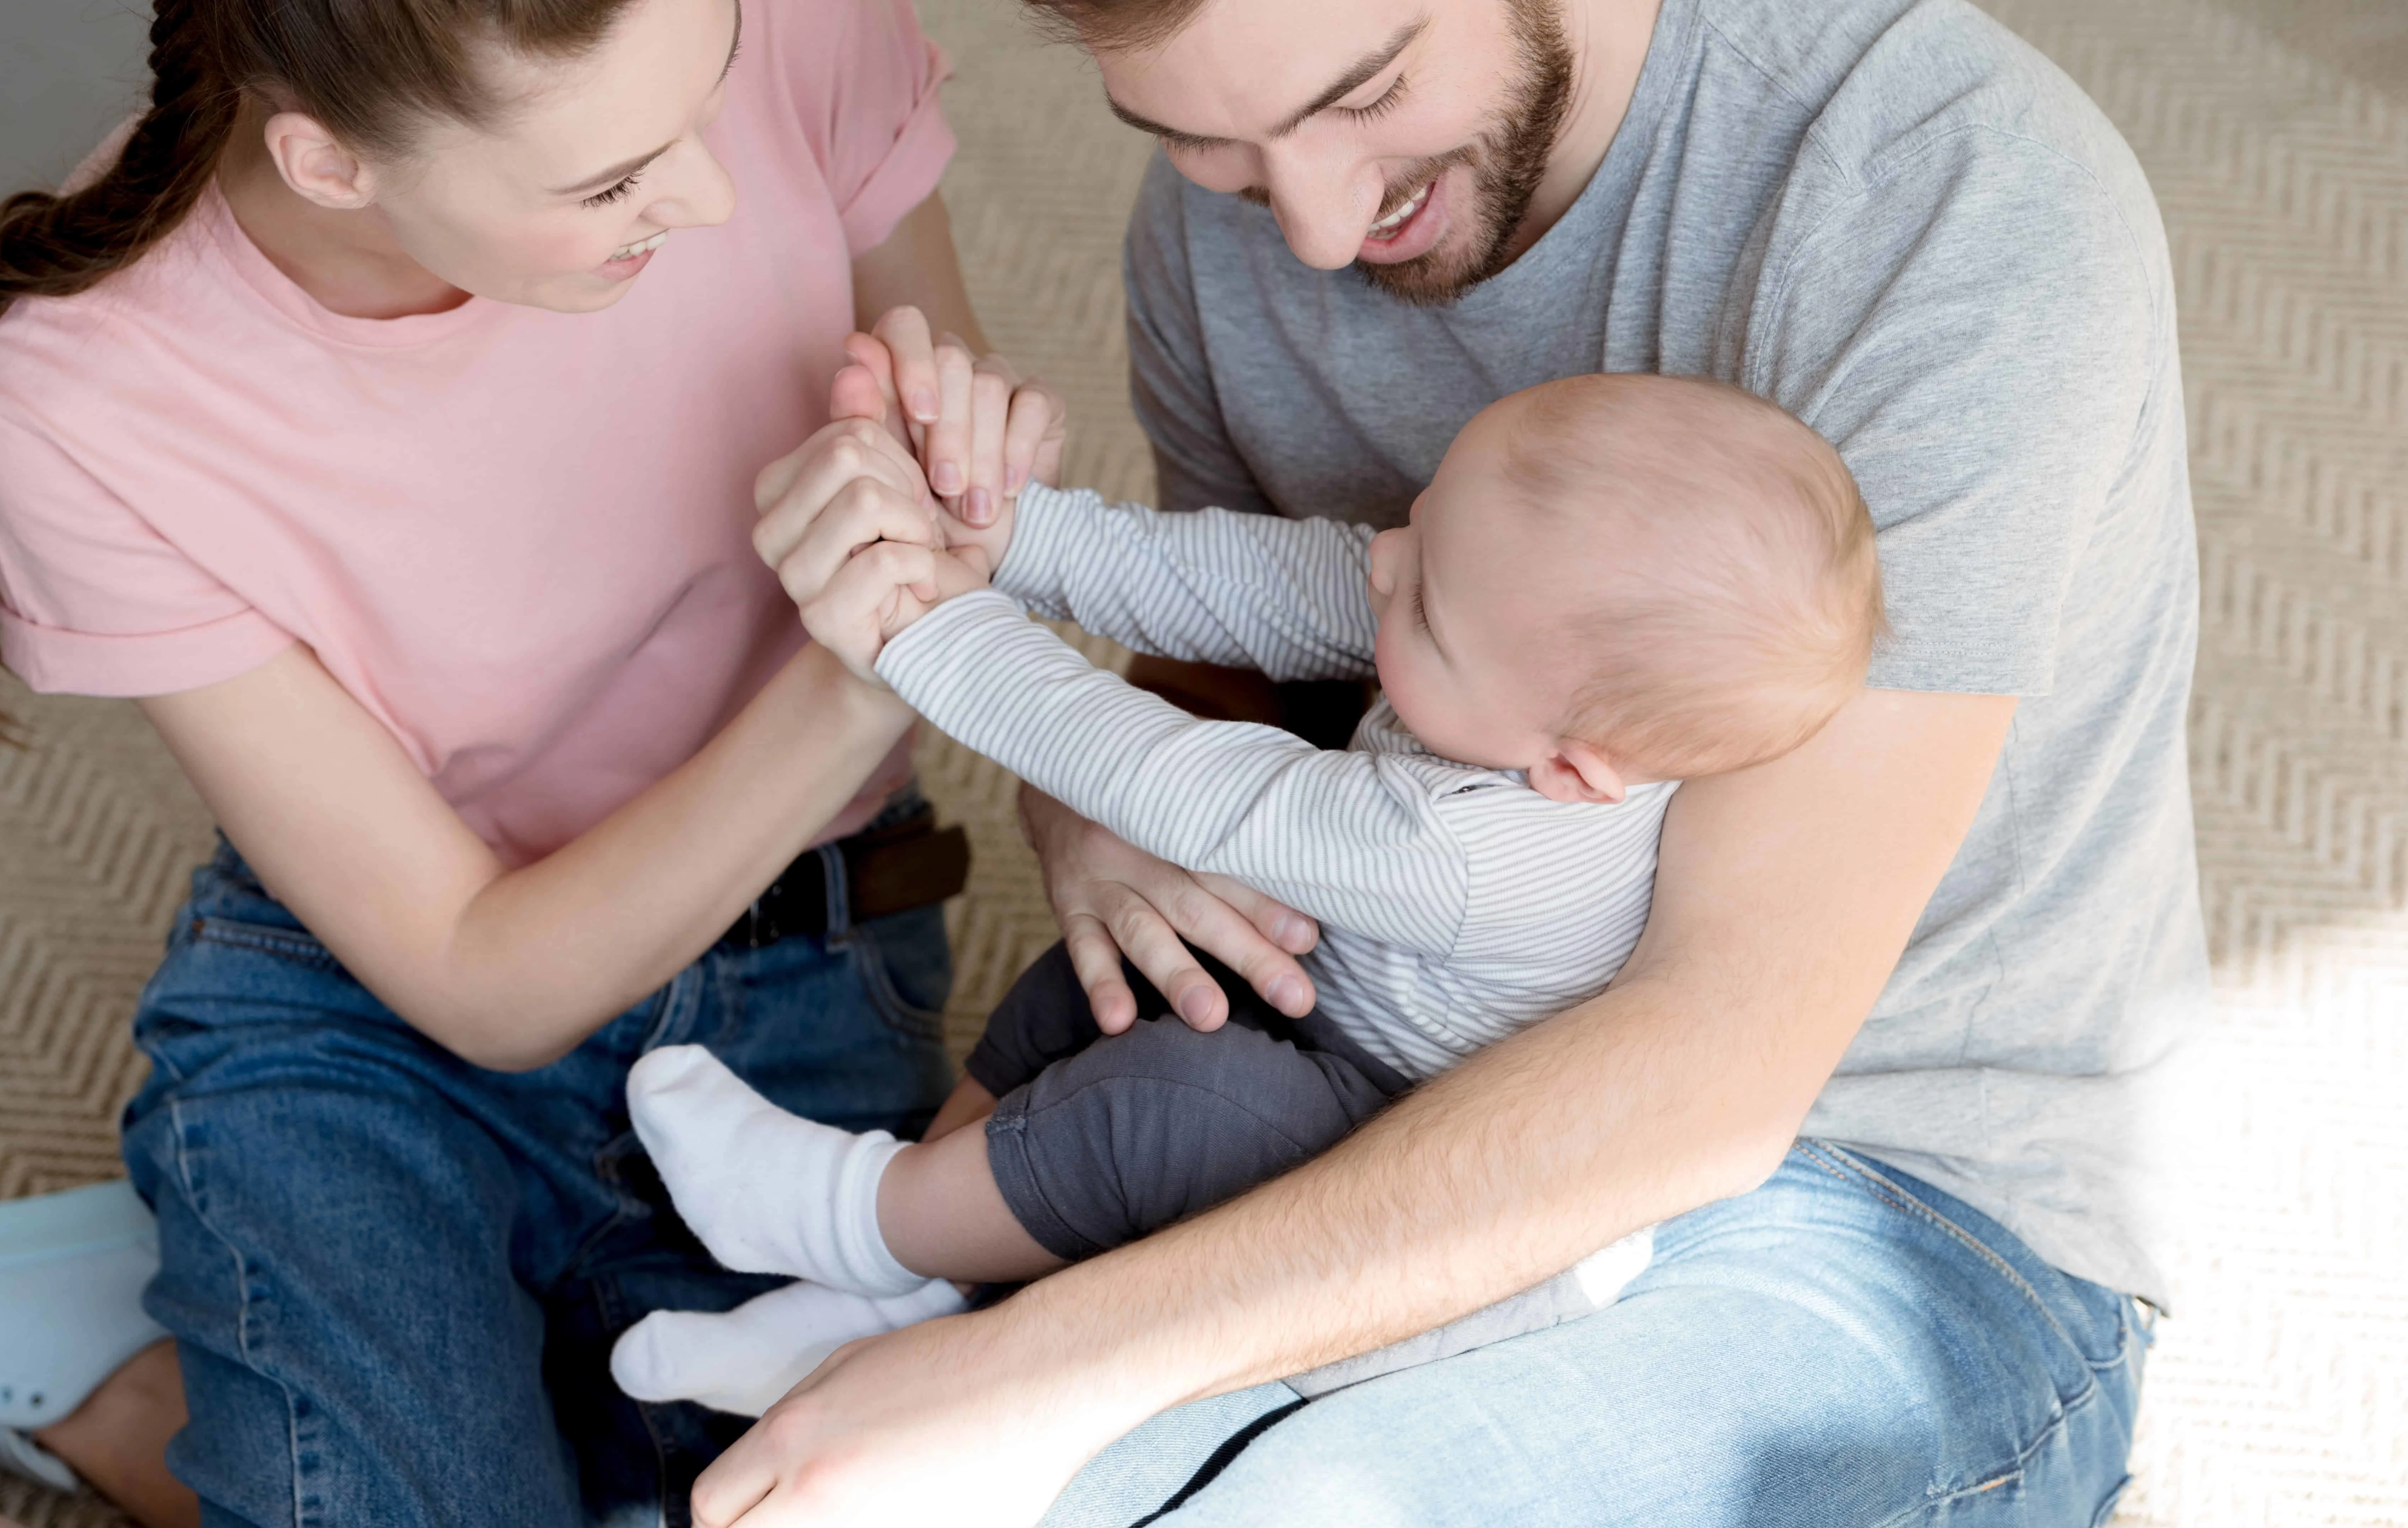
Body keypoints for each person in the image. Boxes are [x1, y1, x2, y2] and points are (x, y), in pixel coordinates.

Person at [689, 0, 2204, 1522]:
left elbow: (1708, 1066)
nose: (1317, 230)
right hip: (1374, 1076)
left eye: (1362, 94)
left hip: (1874, 1185)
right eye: (1203, 140)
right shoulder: (1223, 229)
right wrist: (1077, 794)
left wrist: (1025, 1364)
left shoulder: (1946, 204)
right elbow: (1231, 697)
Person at [0, 0, 1078, 1523]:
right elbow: (479, 974)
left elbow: (968, 486)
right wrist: (854, 671)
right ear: (330, 158)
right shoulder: (74, 397)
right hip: (381, 1014)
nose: (705, 194)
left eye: (714, 86)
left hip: (806, 956)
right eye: (611, 176)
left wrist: (965, 514)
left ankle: (157, 1363)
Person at [611, 372, 1883, 1414]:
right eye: (1421, 517)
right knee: (1120, 964)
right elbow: (1247, 585)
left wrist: (929, 628)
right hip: (1322, 1000)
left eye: (1423, 602)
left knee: (1173, 1098)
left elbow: (1189, 785)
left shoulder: (1475, 850)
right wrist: (1016, 541)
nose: (1383, 562)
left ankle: (853, 1218)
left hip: (1390, 1136)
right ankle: (888, 1296)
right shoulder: (1486, 626)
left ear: (1570, 770)